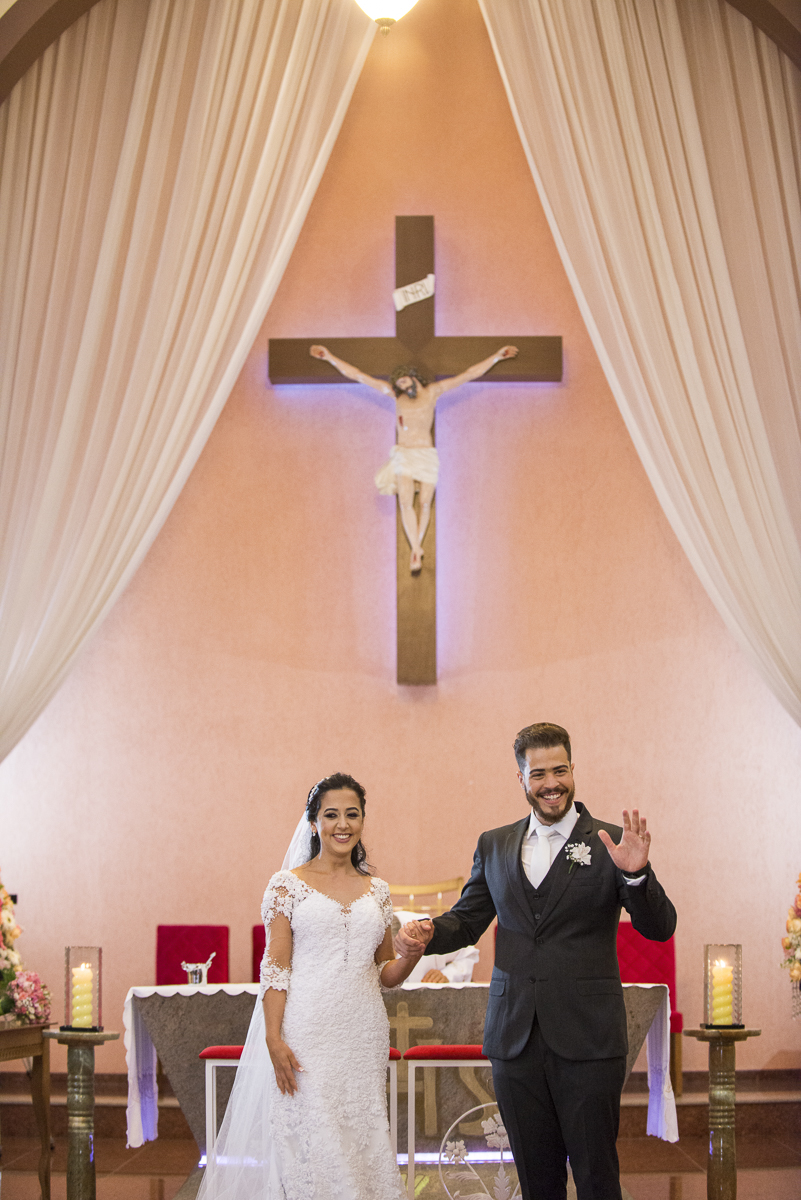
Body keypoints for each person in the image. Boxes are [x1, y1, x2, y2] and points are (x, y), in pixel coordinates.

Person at [396, 722, 677, 1200]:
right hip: (515, 1038)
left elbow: (660, 927)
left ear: (574, 770)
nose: (552, 783)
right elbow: (467, 920)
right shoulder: (495, 844)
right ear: (521, 779)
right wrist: (425, 933)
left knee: (596, 1178)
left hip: (589, 1038)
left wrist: (636, 876)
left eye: (561, 770)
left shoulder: (610, 841)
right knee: (535, 1180)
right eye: (539, 773)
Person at [197, 773, 425, 1200]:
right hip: (307, 1033)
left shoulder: (377, 891)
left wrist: (410, 954)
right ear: (314, 822)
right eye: (331, 815)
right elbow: (276, 969)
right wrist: (272, 1036)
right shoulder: (287, 885)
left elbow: (385, 974)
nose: (343, 824)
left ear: (362, 820)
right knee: (313, 1144)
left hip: (362, 1034)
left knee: (361, 1138)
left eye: (352, 814)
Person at [309, 343, 518, 571]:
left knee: (425, 501)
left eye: (404, 380)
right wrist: (329, 357)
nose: (401, 385)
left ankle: (417, 545)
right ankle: (416, 550)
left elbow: (469, 374)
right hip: (405, 454)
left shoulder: (433, 392)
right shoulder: (396, 398)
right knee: (405, 501)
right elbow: (359, 376)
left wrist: (496, 357)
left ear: (413, 377)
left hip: (426, 453)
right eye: (398, 383)